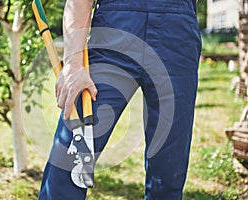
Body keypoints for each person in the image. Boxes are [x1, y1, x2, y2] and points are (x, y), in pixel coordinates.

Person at [38, 0, 201, 199]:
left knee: (169, 171)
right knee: (69, 159)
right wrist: (73, 64)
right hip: (115, 30)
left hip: (177, 35)